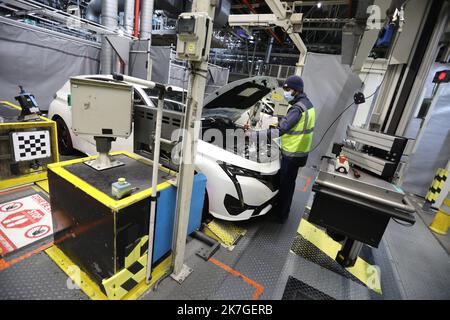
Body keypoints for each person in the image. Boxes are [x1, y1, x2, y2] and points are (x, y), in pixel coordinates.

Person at [274, 75, 315, 223]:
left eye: (287, 89)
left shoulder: (297, 109)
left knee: (285, 185)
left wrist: (254, 135)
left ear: (296, 90)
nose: (285, 92)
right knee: (289, 183)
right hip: (300, 153)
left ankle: (280, 216)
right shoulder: (308, 104)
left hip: (291, 154)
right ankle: (283, 210)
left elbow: (281, 130)